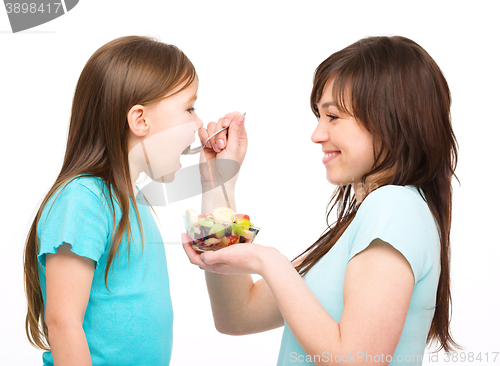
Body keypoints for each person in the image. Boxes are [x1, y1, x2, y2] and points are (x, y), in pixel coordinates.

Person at [182, 35, 461, 365]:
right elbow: (237, 316)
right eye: (319, 117)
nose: (317, 135)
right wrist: (217, 182)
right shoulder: (362, 223)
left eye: (333, 117)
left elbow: (357, 360)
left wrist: (269, 261)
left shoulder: (394, 207)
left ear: (392, 120)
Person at [23, 35, 247, 366]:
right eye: (189, 108)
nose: (200, 124)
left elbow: (217, 260)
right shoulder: (82, 200)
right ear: (140, 120)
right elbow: (63, 324)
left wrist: (216, 180)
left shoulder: (134, 201)